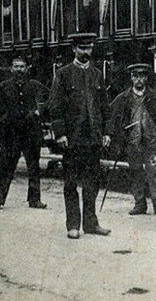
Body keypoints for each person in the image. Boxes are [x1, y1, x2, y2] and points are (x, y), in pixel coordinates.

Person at [47, 33, 111, 239]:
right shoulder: (63, 74)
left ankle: (91, 224)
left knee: (92, 182)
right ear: (73, 49)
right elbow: (54, 106)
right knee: (71, 183)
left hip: (92, 137)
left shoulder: (97, 74)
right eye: (82, 48)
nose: (86, 52)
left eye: (89, 48)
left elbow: (104, 106)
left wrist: (107, 132)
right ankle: (72, 225)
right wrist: (60, 133)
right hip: (72, 139)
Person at [106, 62, 156, 217]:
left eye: (142, 76)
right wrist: (114, 133)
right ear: (131, 78)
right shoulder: (123, 98)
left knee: (154, 173)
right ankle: (139, 204)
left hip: (151, 141)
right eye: (135, 76)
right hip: (132, 141)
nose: (139, 79)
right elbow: (112, 118)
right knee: (135, 172)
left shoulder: (155, 97)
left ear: (146, 78)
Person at [0, 56, 48, 212]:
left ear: (27, 68)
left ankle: (35, 199)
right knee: (5, 167)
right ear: (11, 69)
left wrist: (38, 111)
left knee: (34, 167)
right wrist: (1, 130)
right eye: (16, 66)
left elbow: (48, 101)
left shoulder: (35, 86)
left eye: (22, 67)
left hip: (31, 135)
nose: (19, 70)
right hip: (11, 135)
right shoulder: (3, 87)